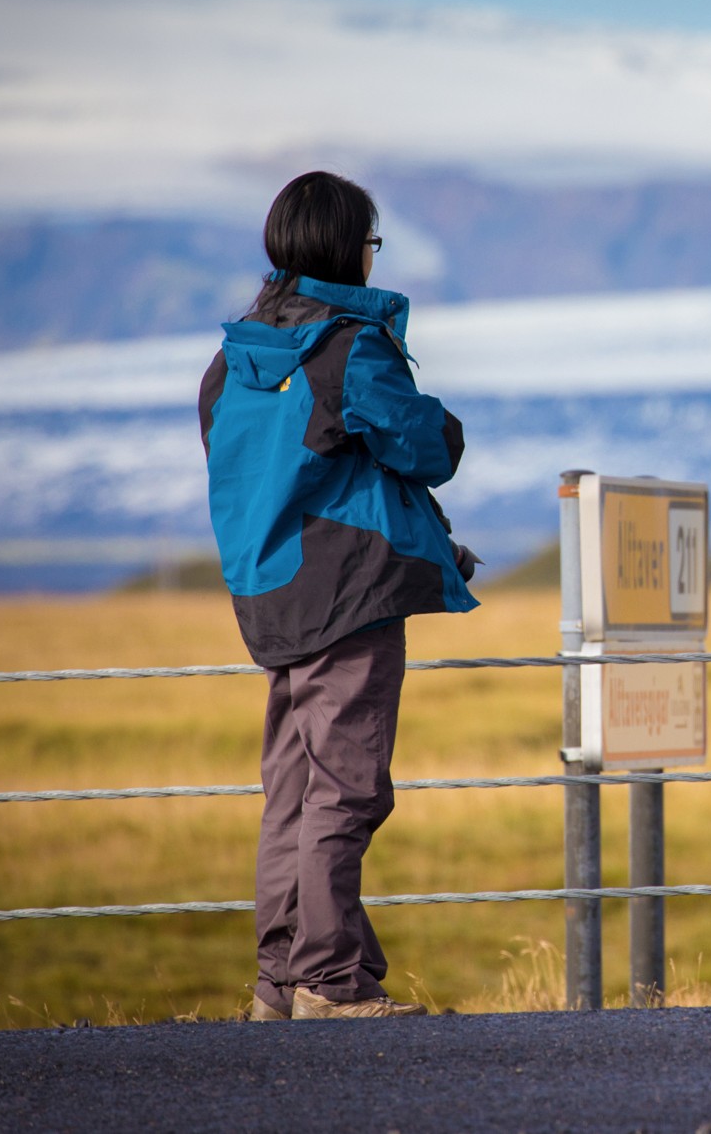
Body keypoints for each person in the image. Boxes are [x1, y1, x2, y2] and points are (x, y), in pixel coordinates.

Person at [199, 171, 480, 1021]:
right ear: (342, 245)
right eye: (371, 239)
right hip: (346, 600)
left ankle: (279, 981)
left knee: (292, 788)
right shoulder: (348, 347)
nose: (372, 253)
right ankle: (330, 979)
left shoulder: (234, 359)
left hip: (269, 595)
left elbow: (292, 476)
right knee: (347, 787)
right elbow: (424, 447)